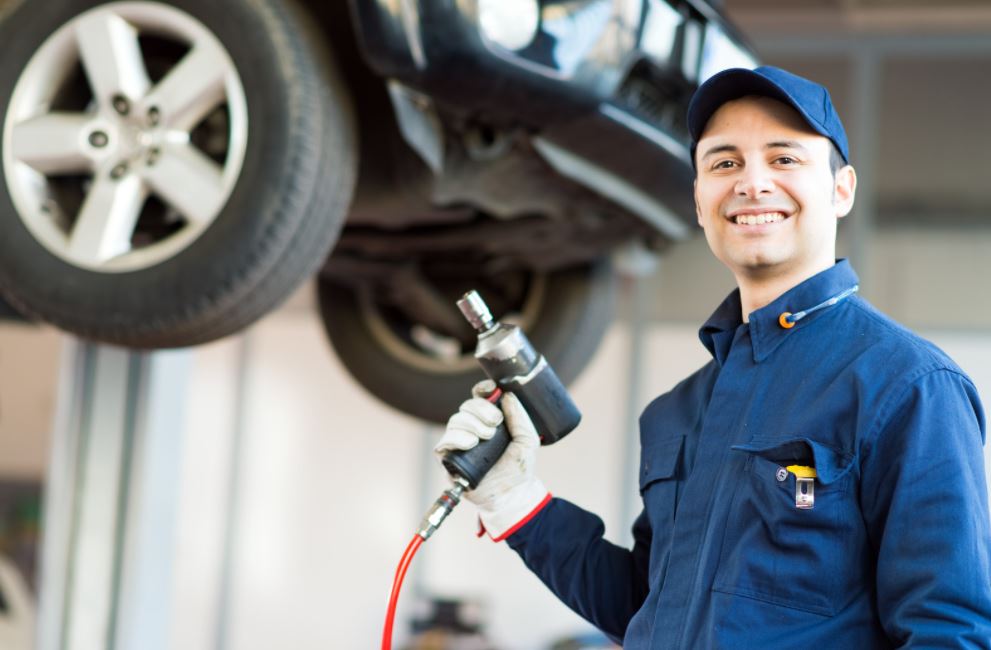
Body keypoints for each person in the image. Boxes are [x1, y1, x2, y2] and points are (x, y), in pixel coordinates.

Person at [435, 66, 991, 647]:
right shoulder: (675, 411)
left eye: (784, 159)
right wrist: (514, 502)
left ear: (841, 189)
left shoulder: (906, 385)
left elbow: (948, 631)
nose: (751, 183)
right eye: (724, 163)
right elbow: (645, 608)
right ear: (700, 202)